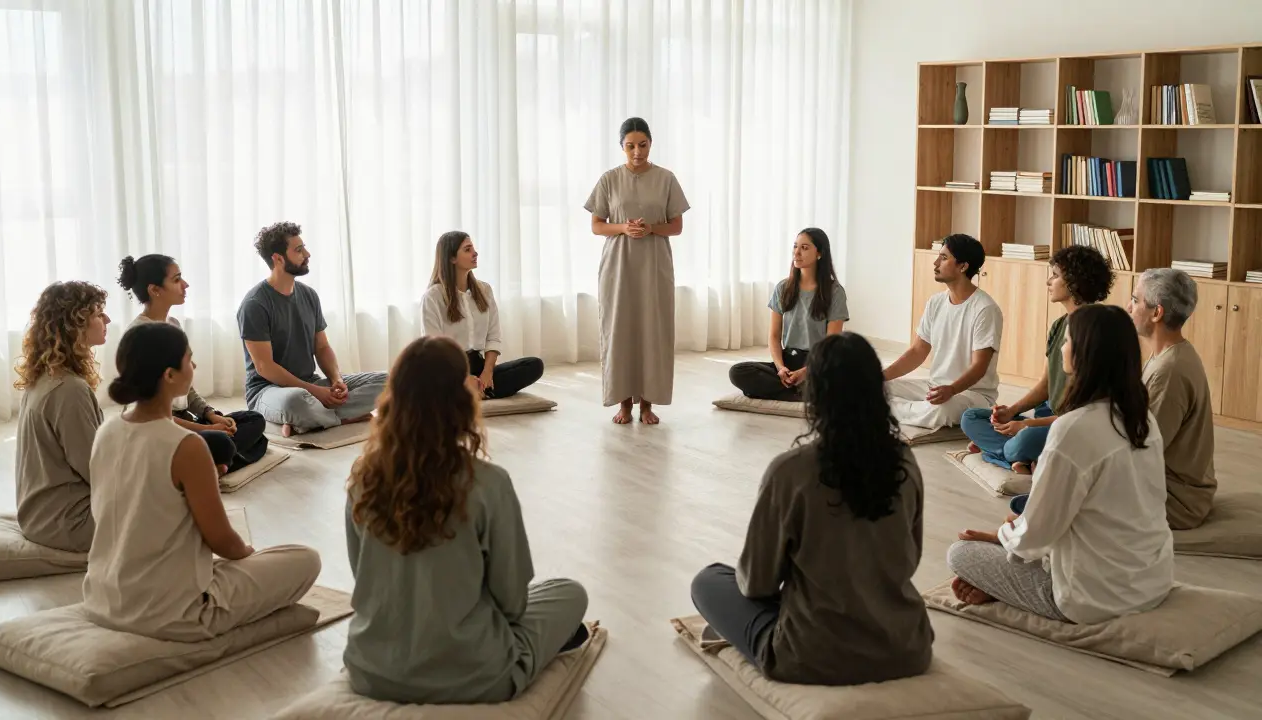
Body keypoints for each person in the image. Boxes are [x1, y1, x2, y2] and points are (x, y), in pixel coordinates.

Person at [344, 336, 589, 704]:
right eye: (468, 379)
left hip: (371, 670)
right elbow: (512, 603)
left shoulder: (362, 479)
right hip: (474, 674)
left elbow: (363, 579)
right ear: (457, 402)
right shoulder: (488, 483)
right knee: (569, 592)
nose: (477, 383)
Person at [691, 333, 933, 686]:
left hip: (811, 655)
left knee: (709, 581)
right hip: (906, 648)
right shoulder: (905, 461)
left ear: (813, 395)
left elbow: (757, 582)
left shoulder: (790, 470)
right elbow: (909, 559)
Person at [82, 322, 321, 641]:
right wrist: (249, 556)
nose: (193, 366)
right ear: (169, 375)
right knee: (306, 559)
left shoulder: (106, 432)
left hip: (102, 596)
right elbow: (222, 542)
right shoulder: (186, 446)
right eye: (188, 359)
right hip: (171, 611)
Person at [946, 305, 1173, 624]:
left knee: (961, 552)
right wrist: (1017, 529)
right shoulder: (1142, 418)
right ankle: (1004, 575)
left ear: (1081, 355)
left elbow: (1036, 537)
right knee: (1021, 518)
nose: (1062, 348)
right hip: (1154, 580)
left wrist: (1001, 535)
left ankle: (1005, 587)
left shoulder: (1074, 428)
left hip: (1094, 598)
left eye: (1066, 342)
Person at [960, 246, 1113, 473]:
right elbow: (1045, 384)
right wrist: (1011, 412)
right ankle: (1019, 458)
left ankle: (1006, 454)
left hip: (1071, 427)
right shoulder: (1059, 325)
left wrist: (1026, 424)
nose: (1048, 282)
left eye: (1055, 275)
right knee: (970, 417)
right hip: (1047, 417)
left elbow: (1082, 415)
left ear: (1075, 281)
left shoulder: (1097, 330)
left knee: (1025, 439)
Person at [119, 254, 268, 475]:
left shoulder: (173, 325)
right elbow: (157, 416)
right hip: (160, 429)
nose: (185, 285)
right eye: (177, 279)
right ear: (155, 289)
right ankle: (209, 465)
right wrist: (207, 429)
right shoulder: (140, 335)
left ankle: (211, 465)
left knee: (254, 420)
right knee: (226, 442)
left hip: (186, 419)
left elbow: (185, 388)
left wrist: (210, 415)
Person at [585, 117, 690, 425]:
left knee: (652, 330)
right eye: (630, 146)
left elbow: (677, 226)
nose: (636, 152)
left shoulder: (666, 178)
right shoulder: (609, 179)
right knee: (620, 330)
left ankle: (646, 404)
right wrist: (623, 228)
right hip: (618, 265)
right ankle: (623, 405)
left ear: (650, 144)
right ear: (622, 147)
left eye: (642, 145)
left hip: (655, 265)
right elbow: (596, 225)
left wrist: (651, 229)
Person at [236, 222, 387, 437]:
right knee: (295, 402)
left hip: (311, 383)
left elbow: (322, 346)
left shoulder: (309, 295)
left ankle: (310, 421)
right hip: (268, 391)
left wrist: (336, 380)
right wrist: (315, 392)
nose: (307, 254)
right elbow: (264, 367)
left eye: (304, 247)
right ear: (277, 259)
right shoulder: (254, 304)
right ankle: (342, 417)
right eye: (298, 250)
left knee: (389, 381)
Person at [13, 282, 109, 553]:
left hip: (41, 515)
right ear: (75, 325)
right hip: (68, 523)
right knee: (172, 498)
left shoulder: (45, 377)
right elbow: (96, 470)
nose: (108, 320)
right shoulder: (69, 389)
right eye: (99, 314)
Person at [882, 233, 1003, 429]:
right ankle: (905, 409)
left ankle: (886, 410)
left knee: (940, 410)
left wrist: (952, 389)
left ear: (963, 266)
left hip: (971, 394)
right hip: (935, 387)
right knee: (875, 388)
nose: (935, 263)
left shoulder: (985, 309)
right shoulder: (936, 302)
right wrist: (881, 376)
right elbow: (917, 352)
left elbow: (980, 367)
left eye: (944, 258)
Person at [1128, 268, 1216, 530]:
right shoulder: (1168, 355)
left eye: (1135, 299)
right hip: (1166, 485)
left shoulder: (1170, 371)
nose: (1128, 307)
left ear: (1157, 313)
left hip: (1176, 500)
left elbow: (1144, 449)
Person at [728, 228, 850, 401]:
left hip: (819, 363)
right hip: (789, 360)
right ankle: (801, 392)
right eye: (795, 247)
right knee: (738, 372)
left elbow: (832, 345)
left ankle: (792, 390)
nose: (797, 253)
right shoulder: (783, 288)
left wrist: (805, 372)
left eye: (805, 247)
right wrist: (780, 368)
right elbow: (774, 335)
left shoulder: (835, 292)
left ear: (819, 253)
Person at [420, 231, 544, 399]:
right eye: (467, 249)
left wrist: (487, 372)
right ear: (452, 258)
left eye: (473, 248)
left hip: (478, 365)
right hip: (447, 369)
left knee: (534, 365)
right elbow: (434, 350)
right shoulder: (433, 296)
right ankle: (472, 391)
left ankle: (477, 389)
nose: (475, 253)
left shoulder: (484, 290)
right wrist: (463, 379)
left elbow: (493, 336)